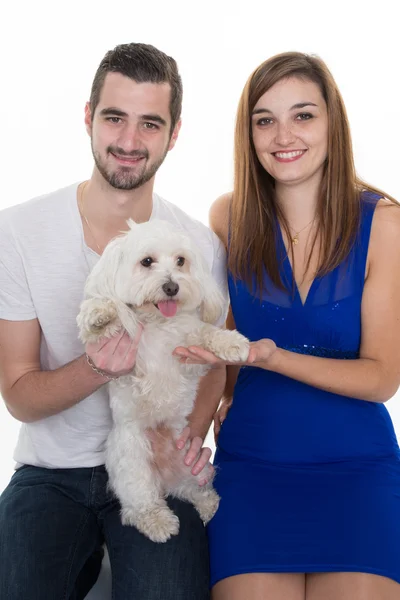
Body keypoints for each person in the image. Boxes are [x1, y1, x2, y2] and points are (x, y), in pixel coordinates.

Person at [0, 42, 228, 600]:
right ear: (88, 117)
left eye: (150, 124)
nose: (129, 142)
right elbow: (18, 394)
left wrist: (186, 437)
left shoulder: (197, 247)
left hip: (158, 464)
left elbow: (215, 368)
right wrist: (97, 369)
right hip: (51, 473)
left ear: (174, 134)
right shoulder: (18, 233)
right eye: (114, 118)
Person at [174, 52, 400, 600]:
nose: (283, 135)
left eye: (303, 115)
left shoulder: (385, 223)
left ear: (332, 123)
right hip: (253, 465)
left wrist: (270, 357)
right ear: (248, 132)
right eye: (264, 119)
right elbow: (222, 340)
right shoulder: (227, 216)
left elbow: (382, 379)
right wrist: (201, 422)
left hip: (356, 469)